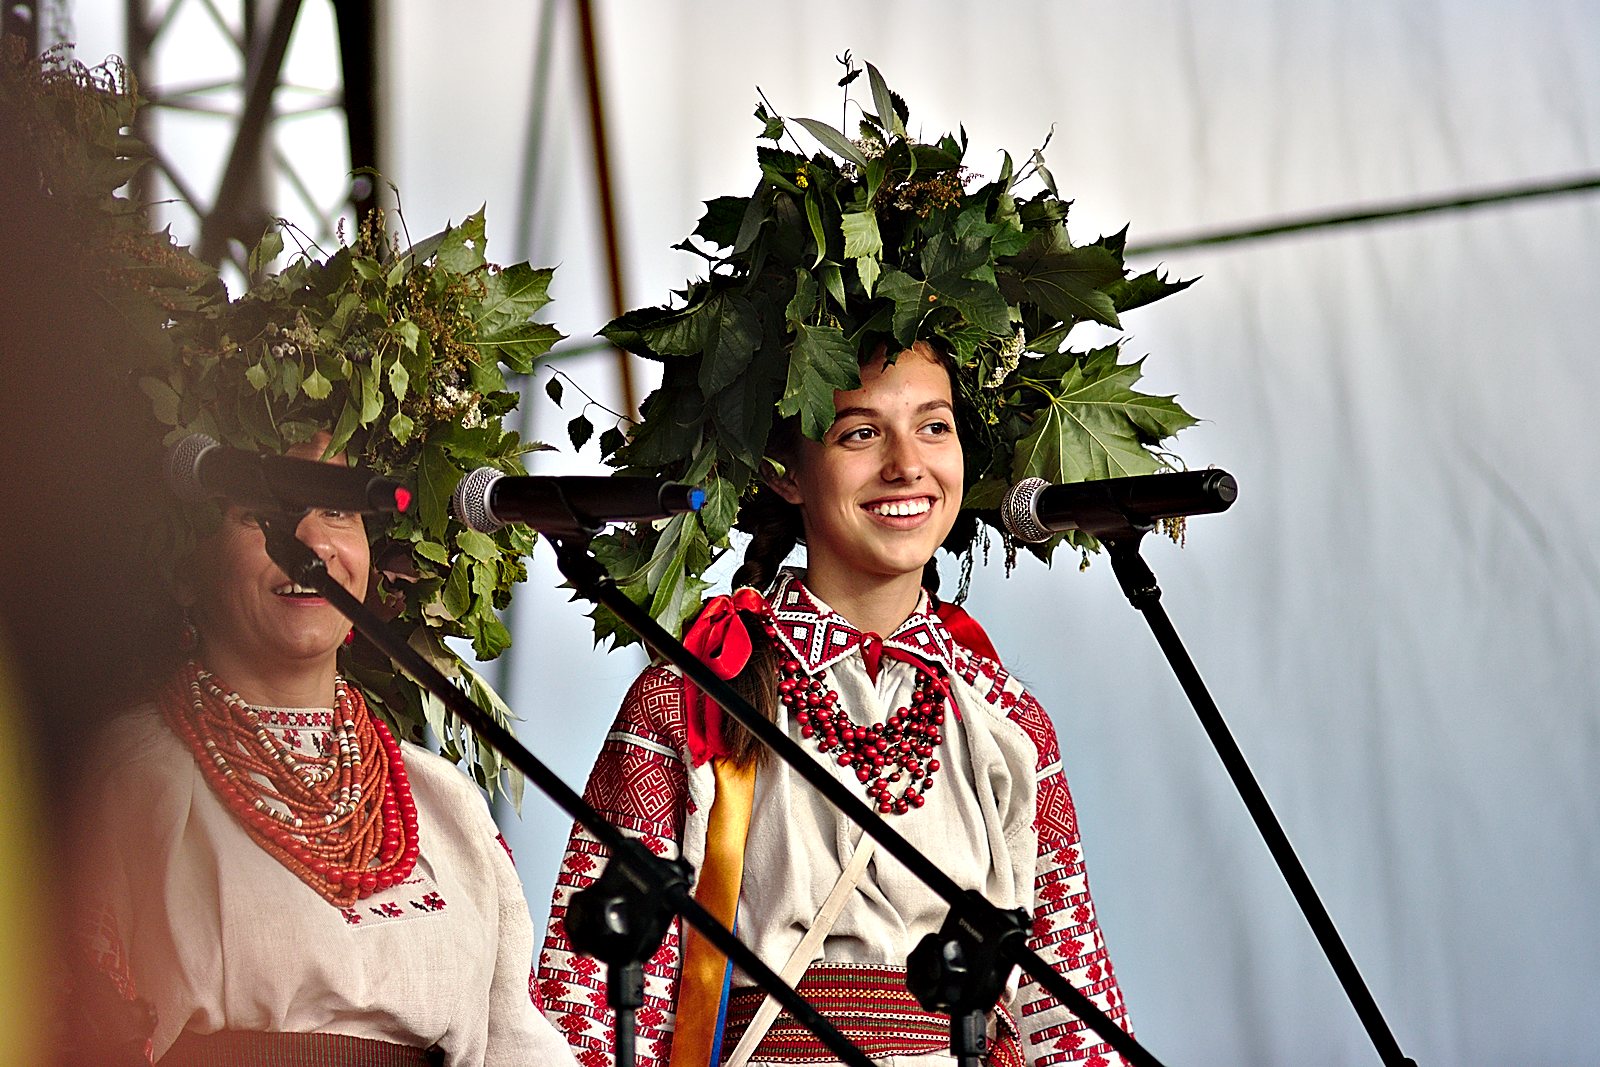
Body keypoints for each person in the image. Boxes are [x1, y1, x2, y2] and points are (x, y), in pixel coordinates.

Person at [537, 61, 1197, 1066]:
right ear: (784, 469)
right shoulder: (693, 701)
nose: (905, 465)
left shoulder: (1005, 720)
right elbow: (586, 1003)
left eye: (933, 426)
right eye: (856, 433)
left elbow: (1074, 1015)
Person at [62, 173, 576, 1062]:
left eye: (338, 508)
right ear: (186, 570)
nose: (308, 538)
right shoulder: (131, 776)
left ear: (376, 559)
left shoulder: (440, 800)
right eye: (262, 509)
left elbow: (515, 1043)